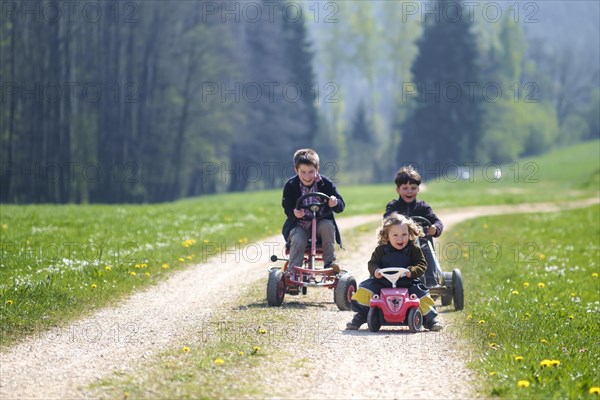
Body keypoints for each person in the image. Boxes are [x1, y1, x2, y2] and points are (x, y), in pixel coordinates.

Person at [346, 213, 442, 331]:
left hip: (407, 282)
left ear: (410, 234)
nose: (400, 239)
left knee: (421, 295)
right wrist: (376, 271)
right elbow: (372, 263)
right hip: (383, 282)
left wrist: (411, 271)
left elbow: (422, 264)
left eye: (404, 234)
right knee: (365, 289)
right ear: (387, 236)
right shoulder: (381, 249)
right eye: (395, 235)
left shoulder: (414, 249)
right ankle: (360, 317)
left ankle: (430, 320)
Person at [282, 148, 344, 274]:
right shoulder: (291, 185)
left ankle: (330, 263)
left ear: (317, 169)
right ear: (296, 170)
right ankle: (293, 272)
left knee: (327, 225)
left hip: (321, 224)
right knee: (298, 238)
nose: (307, 176)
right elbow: (287, 206)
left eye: (311, 172)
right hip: (300, 224)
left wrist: (335, 202)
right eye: (303, 172)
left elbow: (341, 205)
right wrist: (294, 212)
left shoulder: (325, 184)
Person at [384, 166, 444, 287]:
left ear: (418, 189)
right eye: (405, 188)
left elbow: (437, 222)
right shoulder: (393, 206)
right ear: (398, 190)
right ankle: (390, 279)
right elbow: (388, 219)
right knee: (387, 252)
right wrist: (395, 220)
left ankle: (431, 282)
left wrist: (435, 228)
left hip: (420, 242)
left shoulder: (423, 207)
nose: (409, 191)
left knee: (425, 249)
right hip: (398, 242)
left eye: (413, 188)